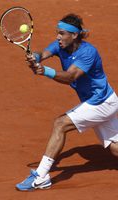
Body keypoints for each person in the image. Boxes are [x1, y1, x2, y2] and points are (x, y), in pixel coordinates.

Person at [16, 13, 118, 191]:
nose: (58, 37)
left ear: (74, 35)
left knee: (60, 124)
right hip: (102, 102)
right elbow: (44, 53)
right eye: (57, 33)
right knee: (115, 149)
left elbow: (71, 76)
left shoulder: (88, 53)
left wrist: (44, 71)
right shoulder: (59, 46)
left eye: (62, 33)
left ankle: (41, 176)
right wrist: (36, 58)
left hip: (100, 102)